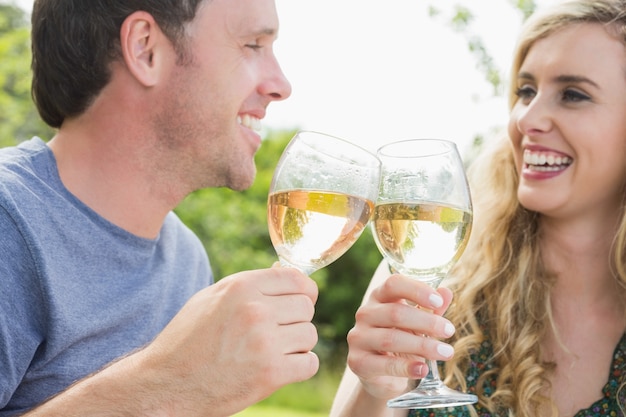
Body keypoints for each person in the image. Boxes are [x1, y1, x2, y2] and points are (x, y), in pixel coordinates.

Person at [0, 0, 320, 415]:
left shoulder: (186, 260)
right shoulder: (10, 224)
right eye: (252, 44)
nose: (281, 85)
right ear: (145, 49)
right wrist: (167, 383)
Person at [330, 0, 626, 416]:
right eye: (526, 91)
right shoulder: (429, 281)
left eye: (573, 95)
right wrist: (377, 390)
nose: (527, 118)